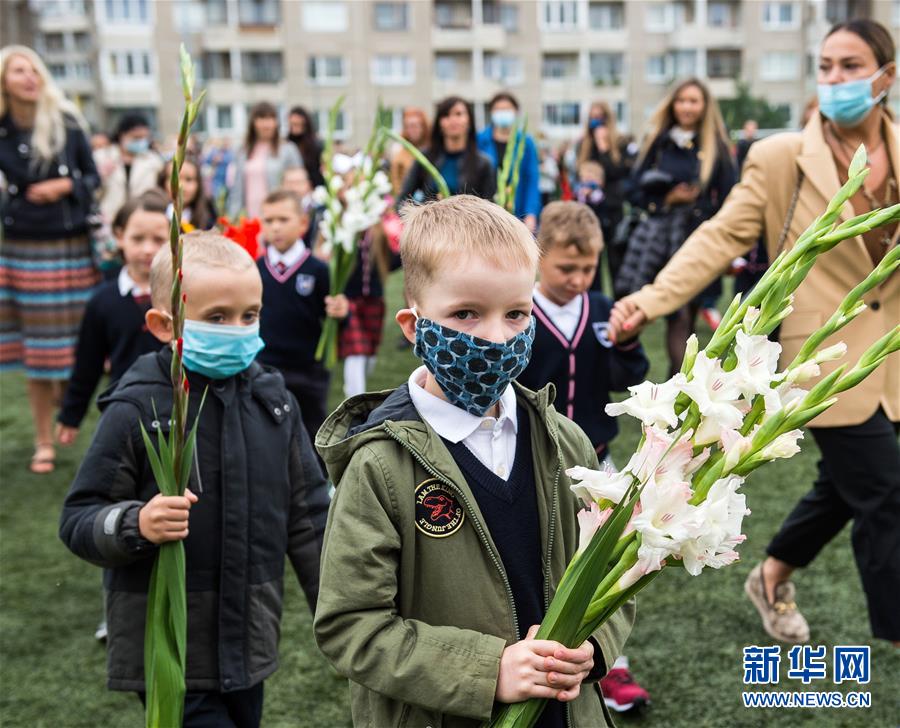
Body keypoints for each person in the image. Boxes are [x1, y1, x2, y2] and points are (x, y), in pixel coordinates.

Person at [609, 20, 899, 647]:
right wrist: (652, 298)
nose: (835, 79)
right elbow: (719, 236)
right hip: (818, 359)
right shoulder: (778, 159)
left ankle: (769, 575)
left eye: (851, 66)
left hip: (893, 356)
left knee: (843, 489)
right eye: (825, 66)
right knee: (885, 490)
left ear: (887, 76)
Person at [313, 195, 634, 728]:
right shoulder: (379, 466)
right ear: (415, 327)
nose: (494, 336)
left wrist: (593, 646)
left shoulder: (568, 444)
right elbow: (352, 626)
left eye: (516, 314)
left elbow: (612, 577)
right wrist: (489, 671)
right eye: (465, 313)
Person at [59, 231, 331, 727]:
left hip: (249, 641)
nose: (238, 329)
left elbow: (311, 515)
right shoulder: (138, 406)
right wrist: (134, 523)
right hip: (169, 647)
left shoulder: (275, 404)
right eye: (217, 318)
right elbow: (78, 517)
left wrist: (340, 611)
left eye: (250, 315)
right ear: (165, 325)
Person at [516, 202, 651, 715]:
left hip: (599, 460)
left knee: (610, 568)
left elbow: (626, 380)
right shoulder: (519, 310)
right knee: (546, 565)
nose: (577, 279)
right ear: (538, 259)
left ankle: (611, 666)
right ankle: (535, 659)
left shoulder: (603, 309)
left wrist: (628, 342)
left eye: (587, 269)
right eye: (565, 268)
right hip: (534, 463)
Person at [0, 45, 100, 474]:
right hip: (22, 248)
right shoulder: (1, 130)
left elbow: (93, 177)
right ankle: (43, 440)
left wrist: (64, 187)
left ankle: (71, 413)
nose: (28, 77)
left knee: (79, 348)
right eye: (17, 70)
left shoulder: (67, 121)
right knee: (37, 355)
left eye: (32, 69)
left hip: (70, 246)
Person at [616, 78, 736, 376]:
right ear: (673, 104)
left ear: (705, 105)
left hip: (698, 239)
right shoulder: (658, 143)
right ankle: (676, 387)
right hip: (661, 242)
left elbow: (730, 199)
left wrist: (697, 205)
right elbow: (633, 190)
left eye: (694, 100)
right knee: (676, 314)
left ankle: (685, 386)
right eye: (681, 100)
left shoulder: (716, 148)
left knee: (690, 315)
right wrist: (667, 199)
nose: (687, 106)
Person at [56, 190, 168, 445]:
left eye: (158, 239)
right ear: (119, 236)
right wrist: (71, 415)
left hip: (177, 410)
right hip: (123, 409)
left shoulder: (184, 296)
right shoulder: (102, 301)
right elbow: (88, 362)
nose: (148, 249)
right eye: (138, 238)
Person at [256, 189, 348, 443]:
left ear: (303, 223)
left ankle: (315, 480)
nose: (275, 227)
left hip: (308, 370)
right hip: (265, 366)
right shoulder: (254, 270)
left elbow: (335, 322)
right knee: (268, 430)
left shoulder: (318, 270)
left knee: (310, 430)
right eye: (269, 221)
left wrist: (342, 312)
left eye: (283, 220)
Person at [571, 101, 634, 284]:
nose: (596, 121)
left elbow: (618, 172)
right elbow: (578, 174)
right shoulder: (583, 145)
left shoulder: (620, 143)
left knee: (616, 263)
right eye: (593, 117)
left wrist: (604, 147)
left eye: (600, 117)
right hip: (590, 211)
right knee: (592, 263)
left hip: (613, 211)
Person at [398, 96, 496, 202]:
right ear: (439, 123)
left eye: (458, 114)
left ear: (469, 120)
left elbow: (490, 206)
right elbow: (403, 200)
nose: (453, 120)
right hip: (431, 218)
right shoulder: (425, 158)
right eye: (446, 115)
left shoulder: (483, 163)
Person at [477, 91, 541, 232]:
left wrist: (531, 213)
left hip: (517, 210)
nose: (502, 113)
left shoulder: (526, 142)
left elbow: (532, 179)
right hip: (486, 212)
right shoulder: (480, 140)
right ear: (492, 112)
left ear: (516, 112)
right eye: (498, 109)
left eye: (507, 109)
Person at [228, 101, 302, 220]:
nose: (266, 124)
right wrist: (232, 217)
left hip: (278, 215)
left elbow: (298, 184)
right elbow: (236, 189)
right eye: (262, 118)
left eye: (271, 118)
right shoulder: (243, 151)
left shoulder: (288, 150)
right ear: (253, 122)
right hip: (249, 216)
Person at [95, 112, 164, 230]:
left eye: (144, 137)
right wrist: (100, 176)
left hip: (143, 220)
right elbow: (93, 193)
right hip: (109, 221)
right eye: (136, 137)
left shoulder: (154, 161)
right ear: (122, 135)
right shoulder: (101, 157)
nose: (141, 141)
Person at [158, 154, 217, 231]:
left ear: (198, 184)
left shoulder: (208, 216)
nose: (181, 186)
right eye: (175, 179)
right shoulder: (155, 212)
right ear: (163, 182)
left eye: (188, 179)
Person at [389, 106, 430, 195]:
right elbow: (396, 182)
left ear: (423, 127)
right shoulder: (400, 153)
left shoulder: (433, 149)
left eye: (415, 126)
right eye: (408, 127)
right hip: (410, 201)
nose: (411, 130)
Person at [286, 105, 324, 189]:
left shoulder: (315, 145)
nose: (295, 127)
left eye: (297, 124)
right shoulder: (287, 145)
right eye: (293, 124)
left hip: (313, 187)